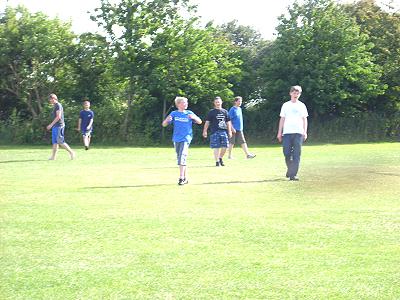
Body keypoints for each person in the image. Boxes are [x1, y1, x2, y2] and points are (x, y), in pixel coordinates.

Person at [162, 96, 202, 185]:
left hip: (186, 138)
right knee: (180, 158)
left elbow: (200, 122)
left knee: (182, 157)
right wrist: (167, 120)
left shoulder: (189, 113)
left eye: (187, 102)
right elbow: (164, 124)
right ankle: (186, 178)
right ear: (179, 104)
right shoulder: (174, 113)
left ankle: (181, 178)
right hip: (176, 139)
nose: (186, 104)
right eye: (184, 102)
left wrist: (193, 117)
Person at [276, 85, 308, 181]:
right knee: (286, 153)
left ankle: (293, 174)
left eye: (297, 93)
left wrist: (305, 132)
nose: (296, 94)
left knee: (296, 154)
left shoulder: (302, 105)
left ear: (300, 94)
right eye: (294, 92)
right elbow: (282, 119)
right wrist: (279, 132)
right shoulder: (286, 105)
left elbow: (304, 119)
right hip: (287, 133)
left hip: (298, 132)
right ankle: (290, 169)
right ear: (290, 93)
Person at [202, 96, 233, 167]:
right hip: (214, 132)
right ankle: (217, 162)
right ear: (214, 103)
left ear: (221, 102)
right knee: (216, 147)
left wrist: (230, 131)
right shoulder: (211, 112)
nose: (218, 103)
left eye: (219, 102)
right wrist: (205, 131)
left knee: (225, 147)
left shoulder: (225, 112)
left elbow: (228, 122)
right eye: (216, 102)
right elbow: (207, 122)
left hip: (224, 132)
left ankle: (220, 158)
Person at [46, 93, 75, 160]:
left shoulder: (58, 105)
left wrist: (51, 124)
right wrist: (52, 125)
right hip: (55, 126)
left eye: (50, 99)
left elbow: (58, 117)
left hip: (59, 126)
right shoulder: (55, 106)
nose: (50, 101)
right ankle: (53, 157)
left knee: (60, 141)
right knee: (55, 142)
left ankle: (71, 152)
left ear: (54, 98)